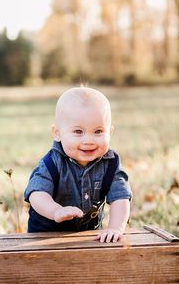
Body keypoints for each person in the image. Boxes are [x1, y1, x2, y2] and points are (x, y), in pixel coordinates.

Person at [24, 87, 132, 243]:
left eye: (98, 131)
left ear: (110, 132)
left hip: (87, 233)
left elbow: (121, 198)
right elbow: (37, 194)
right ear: (57, 133)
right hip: (45, 233)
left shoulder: (110, 164)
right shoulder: (52, 163)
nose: (88, 140)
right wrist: (56, 211)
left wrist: (115, 227)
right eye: (78, 131)